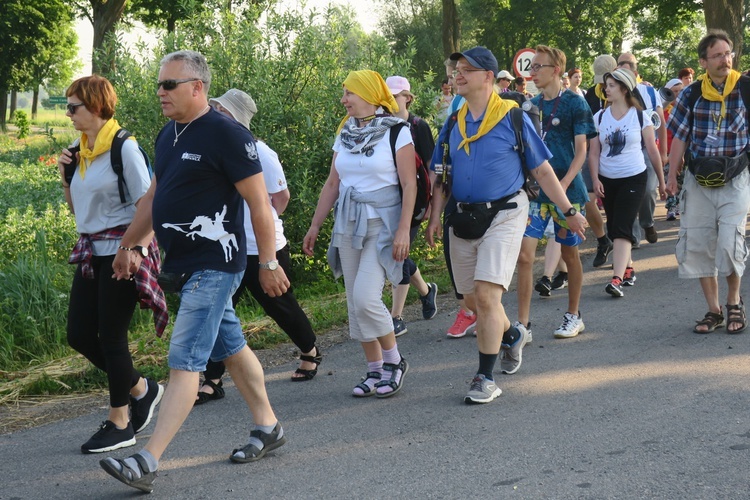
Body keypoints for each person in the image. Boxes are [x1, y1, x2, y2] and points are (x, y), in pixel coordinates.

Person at [100, 50, 290, 493]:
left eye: (169, 85)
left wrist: (267, 262)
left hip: (215, 266)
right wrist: (131, 244)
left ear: (197, 87)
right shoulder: (168, 135)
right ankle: (268, 426)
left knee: (185, 358)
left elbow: (261, 205)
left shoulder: (226, 135)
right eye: (159, 84)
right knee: (232, 346)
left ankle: (147, 460)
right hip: (180, 266)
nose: (160, 92)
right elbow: (153, 200)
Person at [425, 46, 587, 404]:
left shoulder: (513, 118)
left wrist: (568, 211)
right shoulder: (453, 122)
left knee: (486, 296)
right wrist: (435, 216)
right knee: (471, 299)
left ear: (488, 77)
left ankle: (484, 376)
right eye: (457, 69)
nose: (459, 74)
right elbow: (441, 175)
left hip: (506, 211)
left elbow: (542, 170)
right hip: (463, 215)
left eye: (468, 69)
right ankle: (512, 334)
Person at [58, 75, 166, 454]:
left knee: (112, 337)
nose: (68, 113)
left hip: (124, 252)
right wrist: (65, 175)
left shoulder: (124, 148)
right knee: (80, 335)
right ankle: (142, 388)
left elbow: (149, 204)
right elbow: (79, 211)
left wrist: (133, 249)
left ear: (97, 106)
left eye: (74, 107)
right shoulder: (80, 150)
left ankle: (120, 422)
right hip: (93, 252)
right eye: (67, 106)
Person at [193, 88, 320, 404]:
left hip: (265, 249)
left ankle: (310, 351)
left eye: (218, 109)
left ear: (235, 117)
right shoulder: (212, 150)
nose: (211, 113)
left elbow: (281, 198)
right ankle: (212, 378)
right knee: (219, 311)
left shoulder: (261, 152)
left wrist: (260, 221)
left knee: (280, 305)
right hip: (227, 247)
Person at [303, 69, 416, 398]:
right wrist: (315, 225)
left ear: (368, 94)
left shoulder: (398, 132)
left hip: (382, 223)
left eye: (349, 93)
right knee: (355, 303)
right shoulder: (346, 132)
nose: (344, 99)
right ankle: (374, 368)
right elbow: (333, 183)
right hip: (348, 225)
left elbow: (409, 184)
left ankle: (394, 361)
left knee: (367, 298)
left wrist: (404, 230)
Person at [666, 30, 750, 334]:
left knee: (729, 243)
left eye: (727, 53)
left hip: (735, 179)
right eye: (717, 55)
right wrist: (671, 175)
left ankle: (733, 302)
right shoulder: (691, 93)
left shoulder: (745, 88)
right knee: (699, 245)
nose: (725, 59)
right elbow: (679, 136)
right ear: (703, 61)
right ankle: (714, 311)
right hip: (698, 181)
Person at [516, 44, 596, 342]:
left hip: (567, 192)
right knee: (525, 256)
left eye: (539, 67)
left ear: (556, 70)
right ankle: (523, 323)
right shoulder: (529, 106)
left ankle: (574, 315)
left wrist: (562, 186)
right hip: (536, 195)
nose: (533, 72)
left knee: (569, 254)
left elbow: (581, 152)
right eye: (531, 67)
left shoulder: (576, 104)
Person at [589, 68, 665, 297]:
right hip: (607, 179)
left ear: (624, 88)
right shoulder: (599, 117)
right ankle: (629, 268)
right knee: (613, 226)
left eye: (611, 85)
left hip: (634, 176)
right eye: (606, 85)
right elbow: (593, 153)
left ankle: (617, 278)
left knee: (621, 228)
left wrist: (662, 181)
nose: (606, 89)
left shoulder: (641, 115)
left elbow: (652, 150)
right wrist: (595, 179)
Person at [385, 76, 438, 336]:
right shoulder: (382, 126)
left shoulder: (418, 126)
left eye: (396, 96)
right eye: (388, 96)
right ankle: (427, 292)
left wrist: (430, 204)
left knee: (399, 254)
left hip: (415, 202)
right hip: (387, 203)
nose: (391, 101)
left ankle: (396, 316)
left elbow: (431, 167)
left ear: (408, 97)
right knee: (397, 253)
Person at [617, 52, 668, 246]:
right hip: (625, 151)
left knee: (647, 191)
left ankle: (647, 222)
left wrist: (663, 152)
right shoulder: (615, 92)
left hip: (647, 149)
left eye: (626, 66)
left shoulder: (649, 92)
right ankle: (633, 236)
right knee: (629, 193)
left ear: (635, 71)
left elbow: (661, 123)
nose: (622, 68)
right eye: (619, 65)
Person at [583, 54, 619, 268]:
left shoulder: (627, 90)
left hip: (618, 154)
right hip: (593, 152)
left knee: (616, 203)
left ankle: (623, 243)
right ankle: (602, 240)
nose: (603, 85)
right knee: (587, 199)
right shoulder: (590, 94)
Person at [662, 78, 685, 221]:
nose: (677, 94)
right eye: (674, 91)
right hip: (668, 150)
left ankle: (681, 206)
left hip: (684, 151)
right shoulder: (663, 110)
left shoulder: (687, 108)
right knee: (668, 179)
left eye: (680, 91)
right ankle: (671, 207)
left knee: (682, 180)